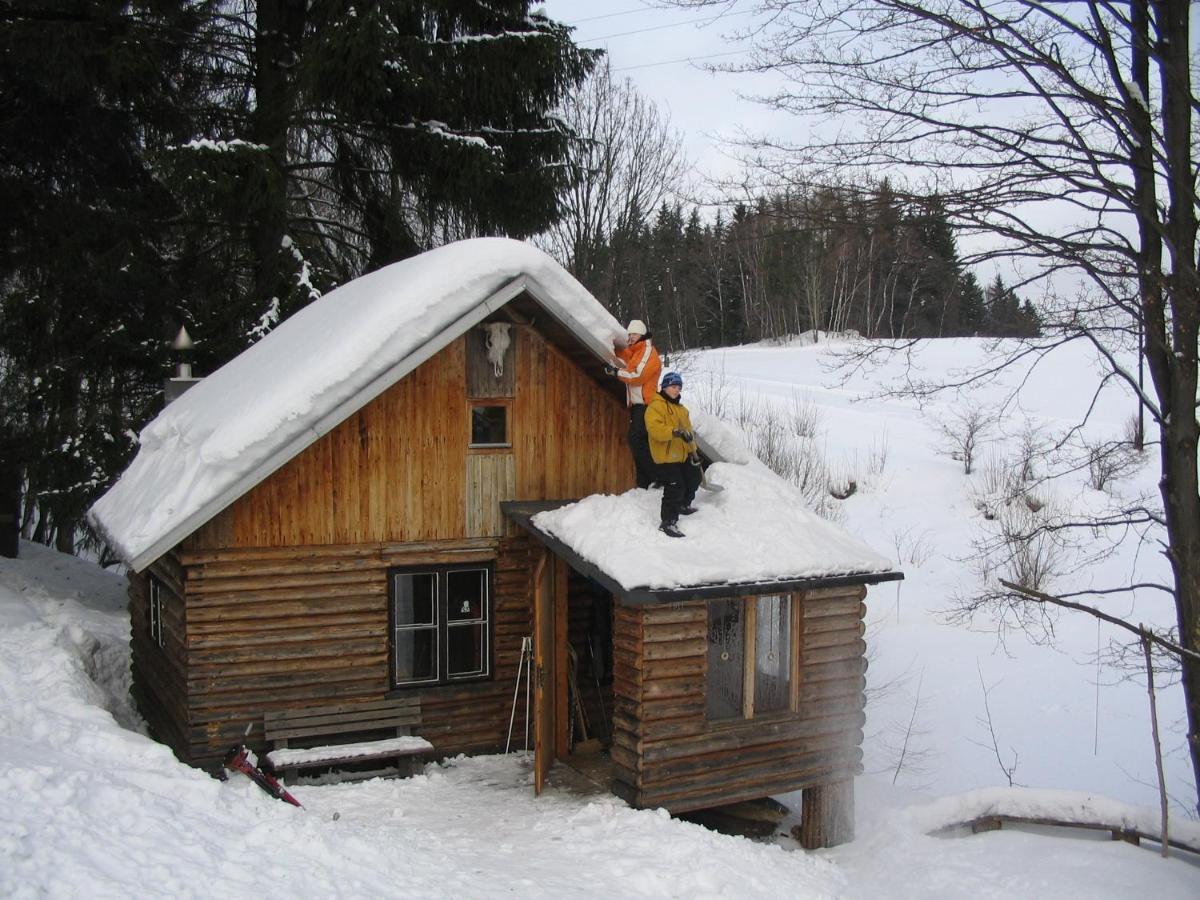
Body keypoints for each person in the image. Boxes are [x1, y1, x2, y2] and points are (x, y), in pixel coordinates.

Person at [644, 371, 702, 538]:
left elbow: (688, 432)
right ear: (664, 387)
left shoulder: (682, 410)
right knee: (675, 486)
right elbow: (655, 430)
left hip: (682, 454)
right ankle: (668, 522)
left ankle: (683, 505)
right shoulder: (655, 406)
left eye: (679, 387)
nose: (677, 390)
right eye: (673, 386)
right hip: (666, 457)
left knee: (693, 478)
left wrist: (693, 450)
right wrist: (674, 432)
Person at [611, 319, 661, 488]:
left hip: (647, 405)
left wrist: (616, 372)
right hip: (637, 406)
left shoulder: (648, 352)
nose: (631, 337)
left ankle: (657, 476)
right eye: (629, 334)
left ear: (641, 335)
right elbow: (625, 355)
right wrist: (611, 348)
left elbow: (637, 376)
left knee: (635, 439)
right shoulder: (636, 352)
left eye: (634, 334)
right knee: (642, 443)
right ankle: (644, 484)